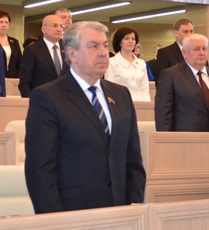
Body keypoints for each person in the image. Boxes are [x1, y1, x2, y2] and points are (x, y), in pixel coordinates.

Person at [25, 21, 146, 213]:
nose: (103, 53)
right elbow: (40, 169)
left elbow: (133, 159)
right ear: (72, 54)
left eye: (104, 46)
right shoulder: (48, 97)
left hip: (121, 211)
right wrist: (54, 221)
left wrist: (134, 206)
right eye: (93, 46)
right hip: (73, 213)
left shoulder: (121, 94)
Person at [154, 33, 209, 132]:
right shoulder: (171, 75)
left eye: (204, 49)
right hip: (186, 138)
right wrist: (165, 139)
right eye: (196, 49)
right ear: (184, 52)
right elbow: (163, 114)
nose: (201, 53)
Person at [19, 14, 67, 97]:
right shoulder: (32, 50)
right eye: (54, 25)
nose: (59, 29)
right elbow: (25, 82)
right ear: (43, 29)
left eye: (61, 26)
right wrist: (30, 101)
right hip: (41, 99)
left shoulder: (68, 50)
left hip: (64, 99)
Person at [104, 26, 151, 101]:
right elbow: (110, 90)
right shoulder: (111, 62)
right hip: (121, 103)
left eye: (133, 39)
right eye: (126, 38)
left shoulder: (141, 63)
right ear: (119, 42)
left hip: (141, 103)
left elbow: (145, 89)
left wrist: (147, 104)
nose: (130, 41)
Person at [0, 9, 22, 79]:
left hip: (13, 79)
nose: (4, 25)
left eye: (6, 22)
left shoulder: (14, 42)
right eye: (0, 22)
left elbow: (20, 62)